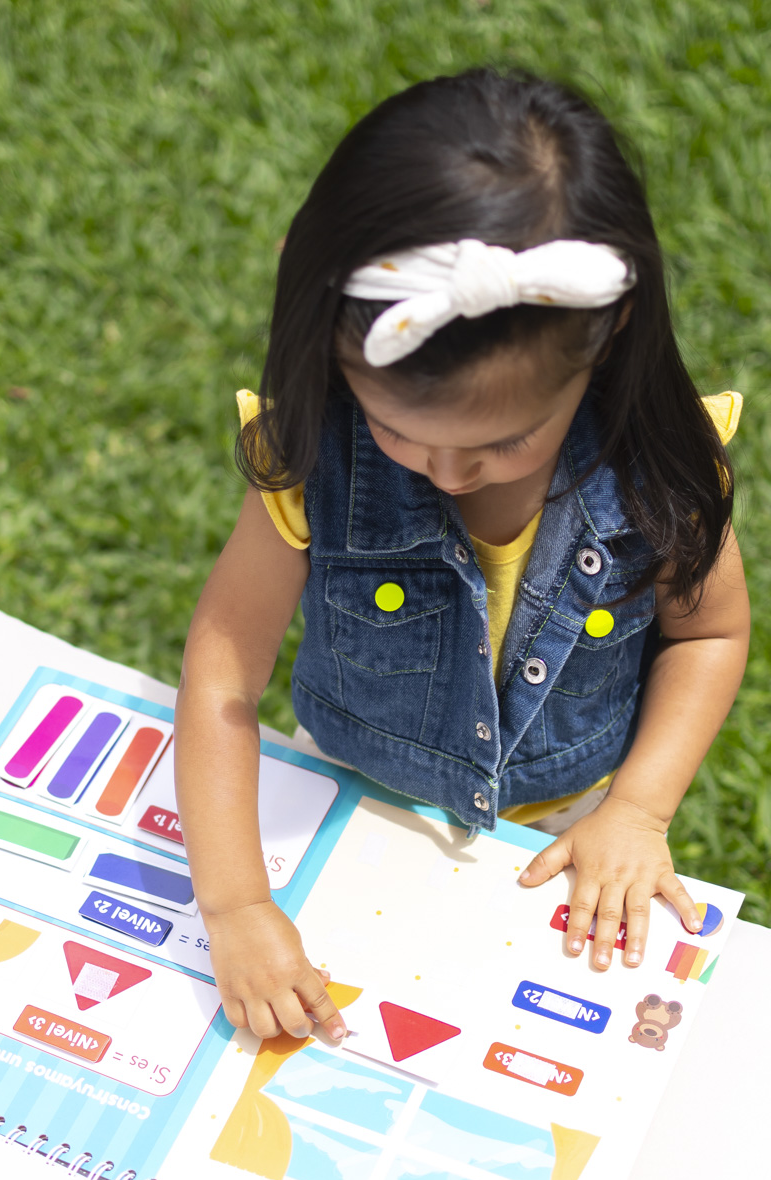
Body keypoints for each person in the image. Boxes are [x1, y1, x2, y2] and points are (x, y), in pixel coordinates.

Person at [174, 68, 750, 1044]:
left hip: (574, 826)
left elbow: (710, 634)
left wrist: (639, 812)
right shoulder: (311, 457)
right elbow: (223, 672)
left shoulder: (658, 466)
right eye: (397, 429)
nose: (445, 470)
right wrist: (233, 905)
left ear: (605, 338)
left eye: (503, 441)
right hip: (346, 800)